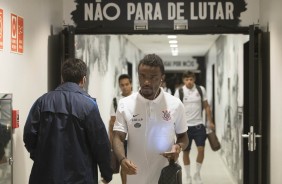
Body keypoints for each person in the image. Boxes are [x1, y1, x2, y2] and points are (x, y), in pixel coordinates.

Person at [23, 58, 112, 184]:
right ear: (83, 79)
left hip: (45, 176)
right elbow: (100, 144)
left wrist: (41, 157)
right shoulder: (89, 106)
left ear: (62, 78)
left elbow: (29, 136)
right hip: (81, 177)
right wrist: (106, 172)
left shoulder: (42, 102)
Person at [112, 54, 189, 184]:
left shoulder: (175, 104)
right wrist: (122, 159)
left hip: (165, 176)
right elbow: (118, 137)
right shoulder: (125, 104)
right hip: (135, 176)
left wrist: (178, 146)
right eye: (142, 76)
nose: (146, 82)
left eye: (153, 77)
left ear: (162, 78)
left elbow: (183, 136)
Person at [174, 71, 215, 184]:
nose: (189, 81)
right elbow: (175, 109)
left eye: (191, 79)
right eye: (187, 79)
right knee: (186, 152)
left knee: (201, 150)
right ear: (183, 80)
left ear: (194, 79)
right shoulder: (179, 91)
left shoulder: (200, 90)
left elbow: (206, 107)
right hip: (185, 127)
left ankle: (197, 173)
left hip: (198, 125)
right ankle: (188, 176)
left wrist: (210, 121)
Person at [109, 74, 133, 184]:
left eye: (127, 84)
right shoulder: (115, 101)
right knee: (125, 165)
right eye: (122, 85)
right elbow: (112, 122)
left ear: (131, 84)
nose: (124, 87)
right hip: (121, 139)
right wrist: (111, 141)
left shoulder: (137, 99)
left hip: (135, 138)